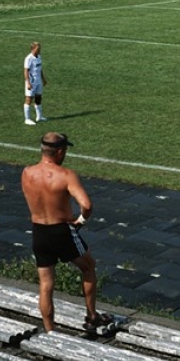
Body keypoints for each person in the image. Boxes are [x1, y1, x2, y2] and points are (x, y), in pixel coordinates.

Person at [21, 132, 113, 333]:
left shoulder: (27, 172)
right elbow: (87, 205)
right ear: (60, 151)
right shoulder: (66, 175)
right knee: (89, 267)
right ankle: (92, 316)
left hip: (39, 232)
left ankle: (50, 330)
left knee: (46, 285)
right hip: (61, 231)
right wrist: (80, 221)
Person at [24, 42, 47, 125]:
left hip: (38, 81)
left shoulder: (39, 57)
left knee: (38, 98)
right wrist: (28, 83)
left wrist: (43, 79)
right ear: (33, 49)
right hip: (32, 82)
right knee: (29, 99)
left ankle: (39, 117)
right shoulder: (29, 58)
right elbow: (26, 71)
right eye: (38, 49)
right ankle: (27, 119)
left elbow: (40, 69)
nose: (39, 50)